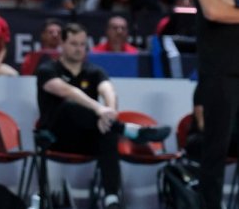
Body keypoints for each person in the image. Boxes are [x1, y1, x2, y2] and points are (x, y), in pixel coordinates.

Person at [36, 23, 171, 209]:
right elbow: (66, 91)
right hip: (56, 137)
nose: (78, 49)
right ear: (63, 44)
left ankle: (111, 199)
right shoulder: (47, 69)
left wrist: (110, 114)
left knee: (108, 132)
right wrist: (99, 109)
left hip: (86, 137)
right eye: (73, 43)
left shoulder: (94, 71)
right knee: (70, 105)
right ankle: (130, 131)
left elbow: (108, 90)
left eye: (82, 44)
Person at [192, 0, 239, 209]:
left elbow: (225, 7)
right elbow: (213, 10)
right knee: (216, 150)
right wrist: (224, 4)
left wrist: (230, 1)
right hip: (221, 71)